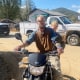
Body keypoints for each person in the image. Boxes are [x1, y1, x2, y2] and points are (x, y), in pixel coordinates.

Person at [15, 15, 64, 80]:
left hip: (51, 54)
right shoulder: (34, 33)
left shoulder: (50, 31)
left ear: (45, 22)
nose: (41, 22)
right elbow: (28, 42)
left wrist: (59, 47)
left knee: (57, 73)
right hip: (40, 54)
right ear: (37, 22)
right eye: (39, 21)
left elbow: (55, 40)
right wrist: (20, 46)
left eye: (42, 21)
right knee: (27, 71)